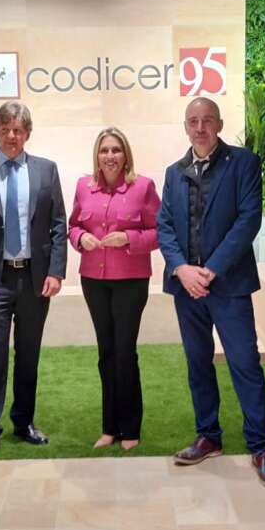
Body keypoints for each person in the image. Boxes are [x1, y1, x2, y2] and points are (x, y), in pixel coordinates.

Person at [157, 97, 265, 488]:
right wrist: (181, 268)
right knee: (198, 363)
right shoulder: (174, 172)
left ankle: (260, 446)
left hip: (228, 285)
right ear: (186, 126)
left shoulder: (243, 163)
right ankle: (208, 436)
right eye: (193, 121)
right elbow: (164, 225)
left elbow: (248, 221)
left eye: (207, 120)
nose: (200, 128)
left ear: (220, 124)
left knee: (245, 363)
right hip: (187, 288)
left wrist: (210, 270)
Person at [0, 101, 67, 464]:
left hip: (35, 279)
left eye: (18, 130)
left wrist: (56, 271)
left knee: (28, 353)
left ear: (28, 133)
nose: (11, 136)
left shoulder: (46, 170)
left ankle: (23, 422)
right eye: (5, 129)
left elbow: (58, 223)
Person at [68, 127, 161, 451]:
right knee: (105, 352)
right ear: (97, 155)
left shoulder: (143, 187)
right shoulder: (84, 187)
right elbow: (73, 225)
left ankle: (130, 428)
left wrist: (129, 238)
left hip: (131, 281)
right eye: (104, 150)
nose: (110, 156)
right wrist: (81, 237)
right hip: (94, 280)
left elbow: (161, 231)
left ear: (126, 155)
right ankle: (109, 428)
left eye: (116, 150)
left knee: (124, 351)